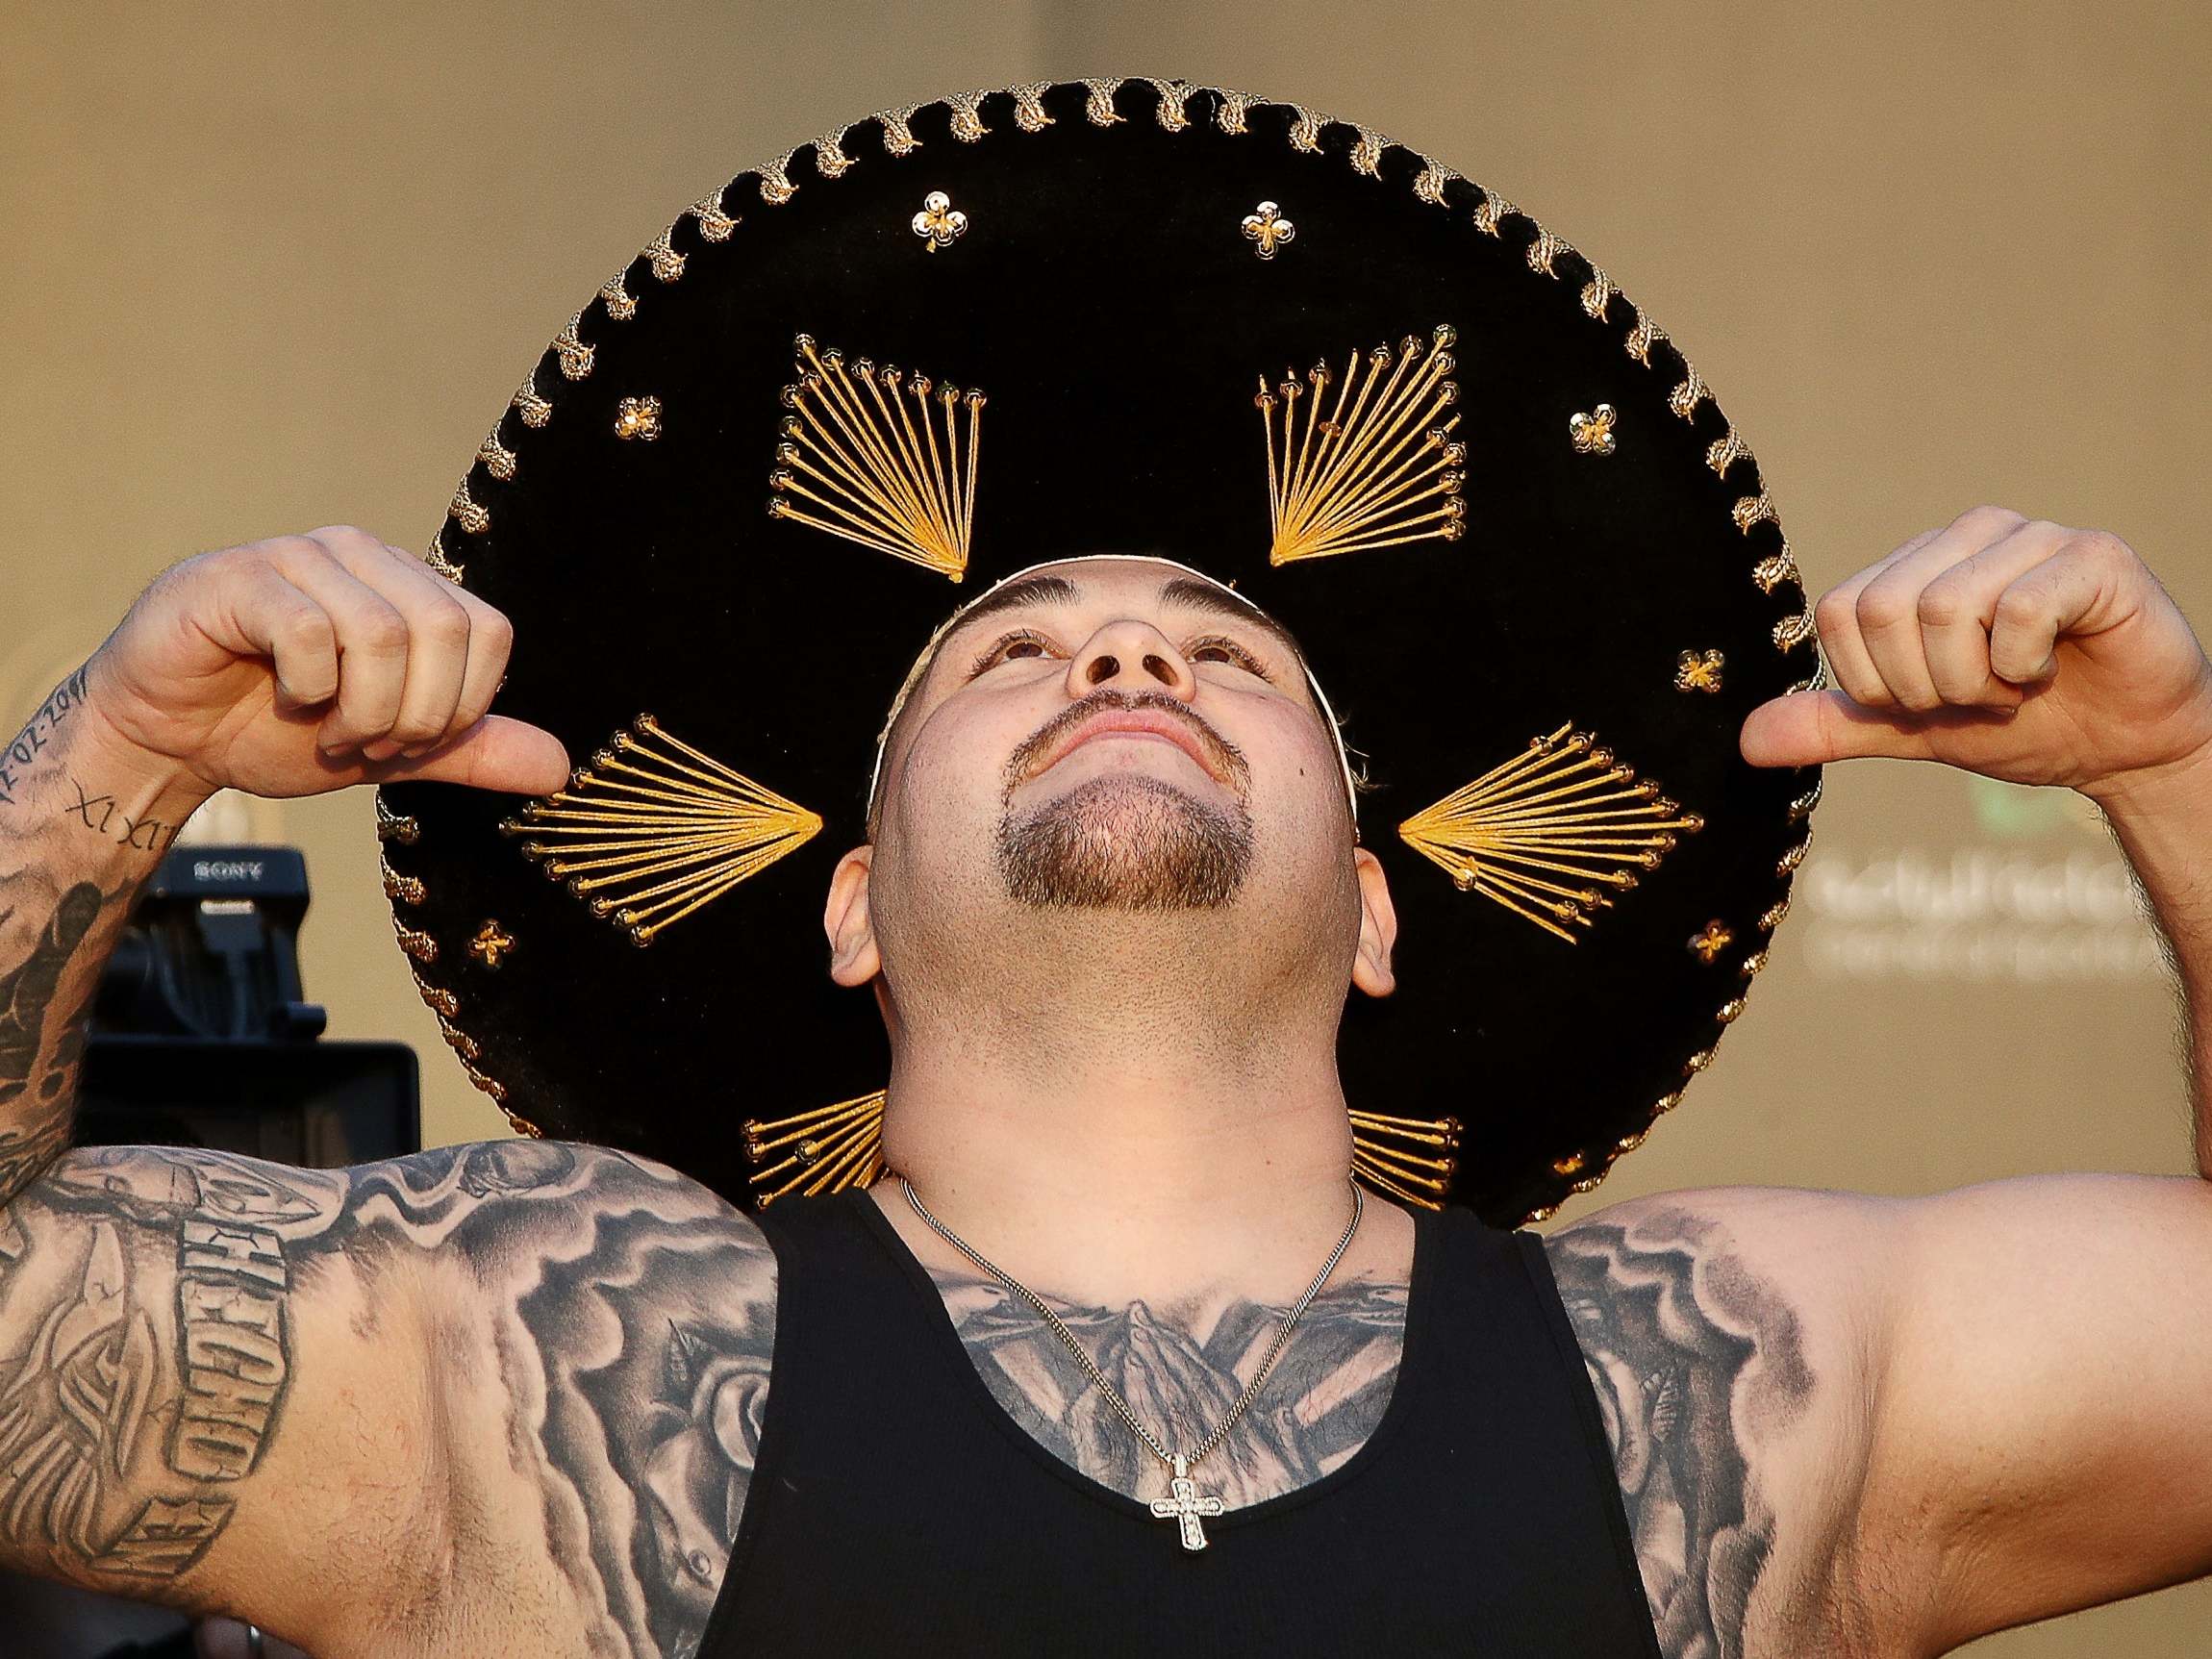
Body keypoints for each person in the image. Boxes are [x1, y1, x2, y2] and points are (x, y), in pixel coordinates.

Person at [6, 76, 2211, 1658]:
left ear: (1370, 901)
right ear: (853, 897)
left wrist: (2176, 767)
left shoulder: (1735, 1380)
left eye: (1228, 647)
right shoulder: (537, 1353)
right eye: (1007, 649)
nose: (1126, 642)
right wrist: (118, 754)